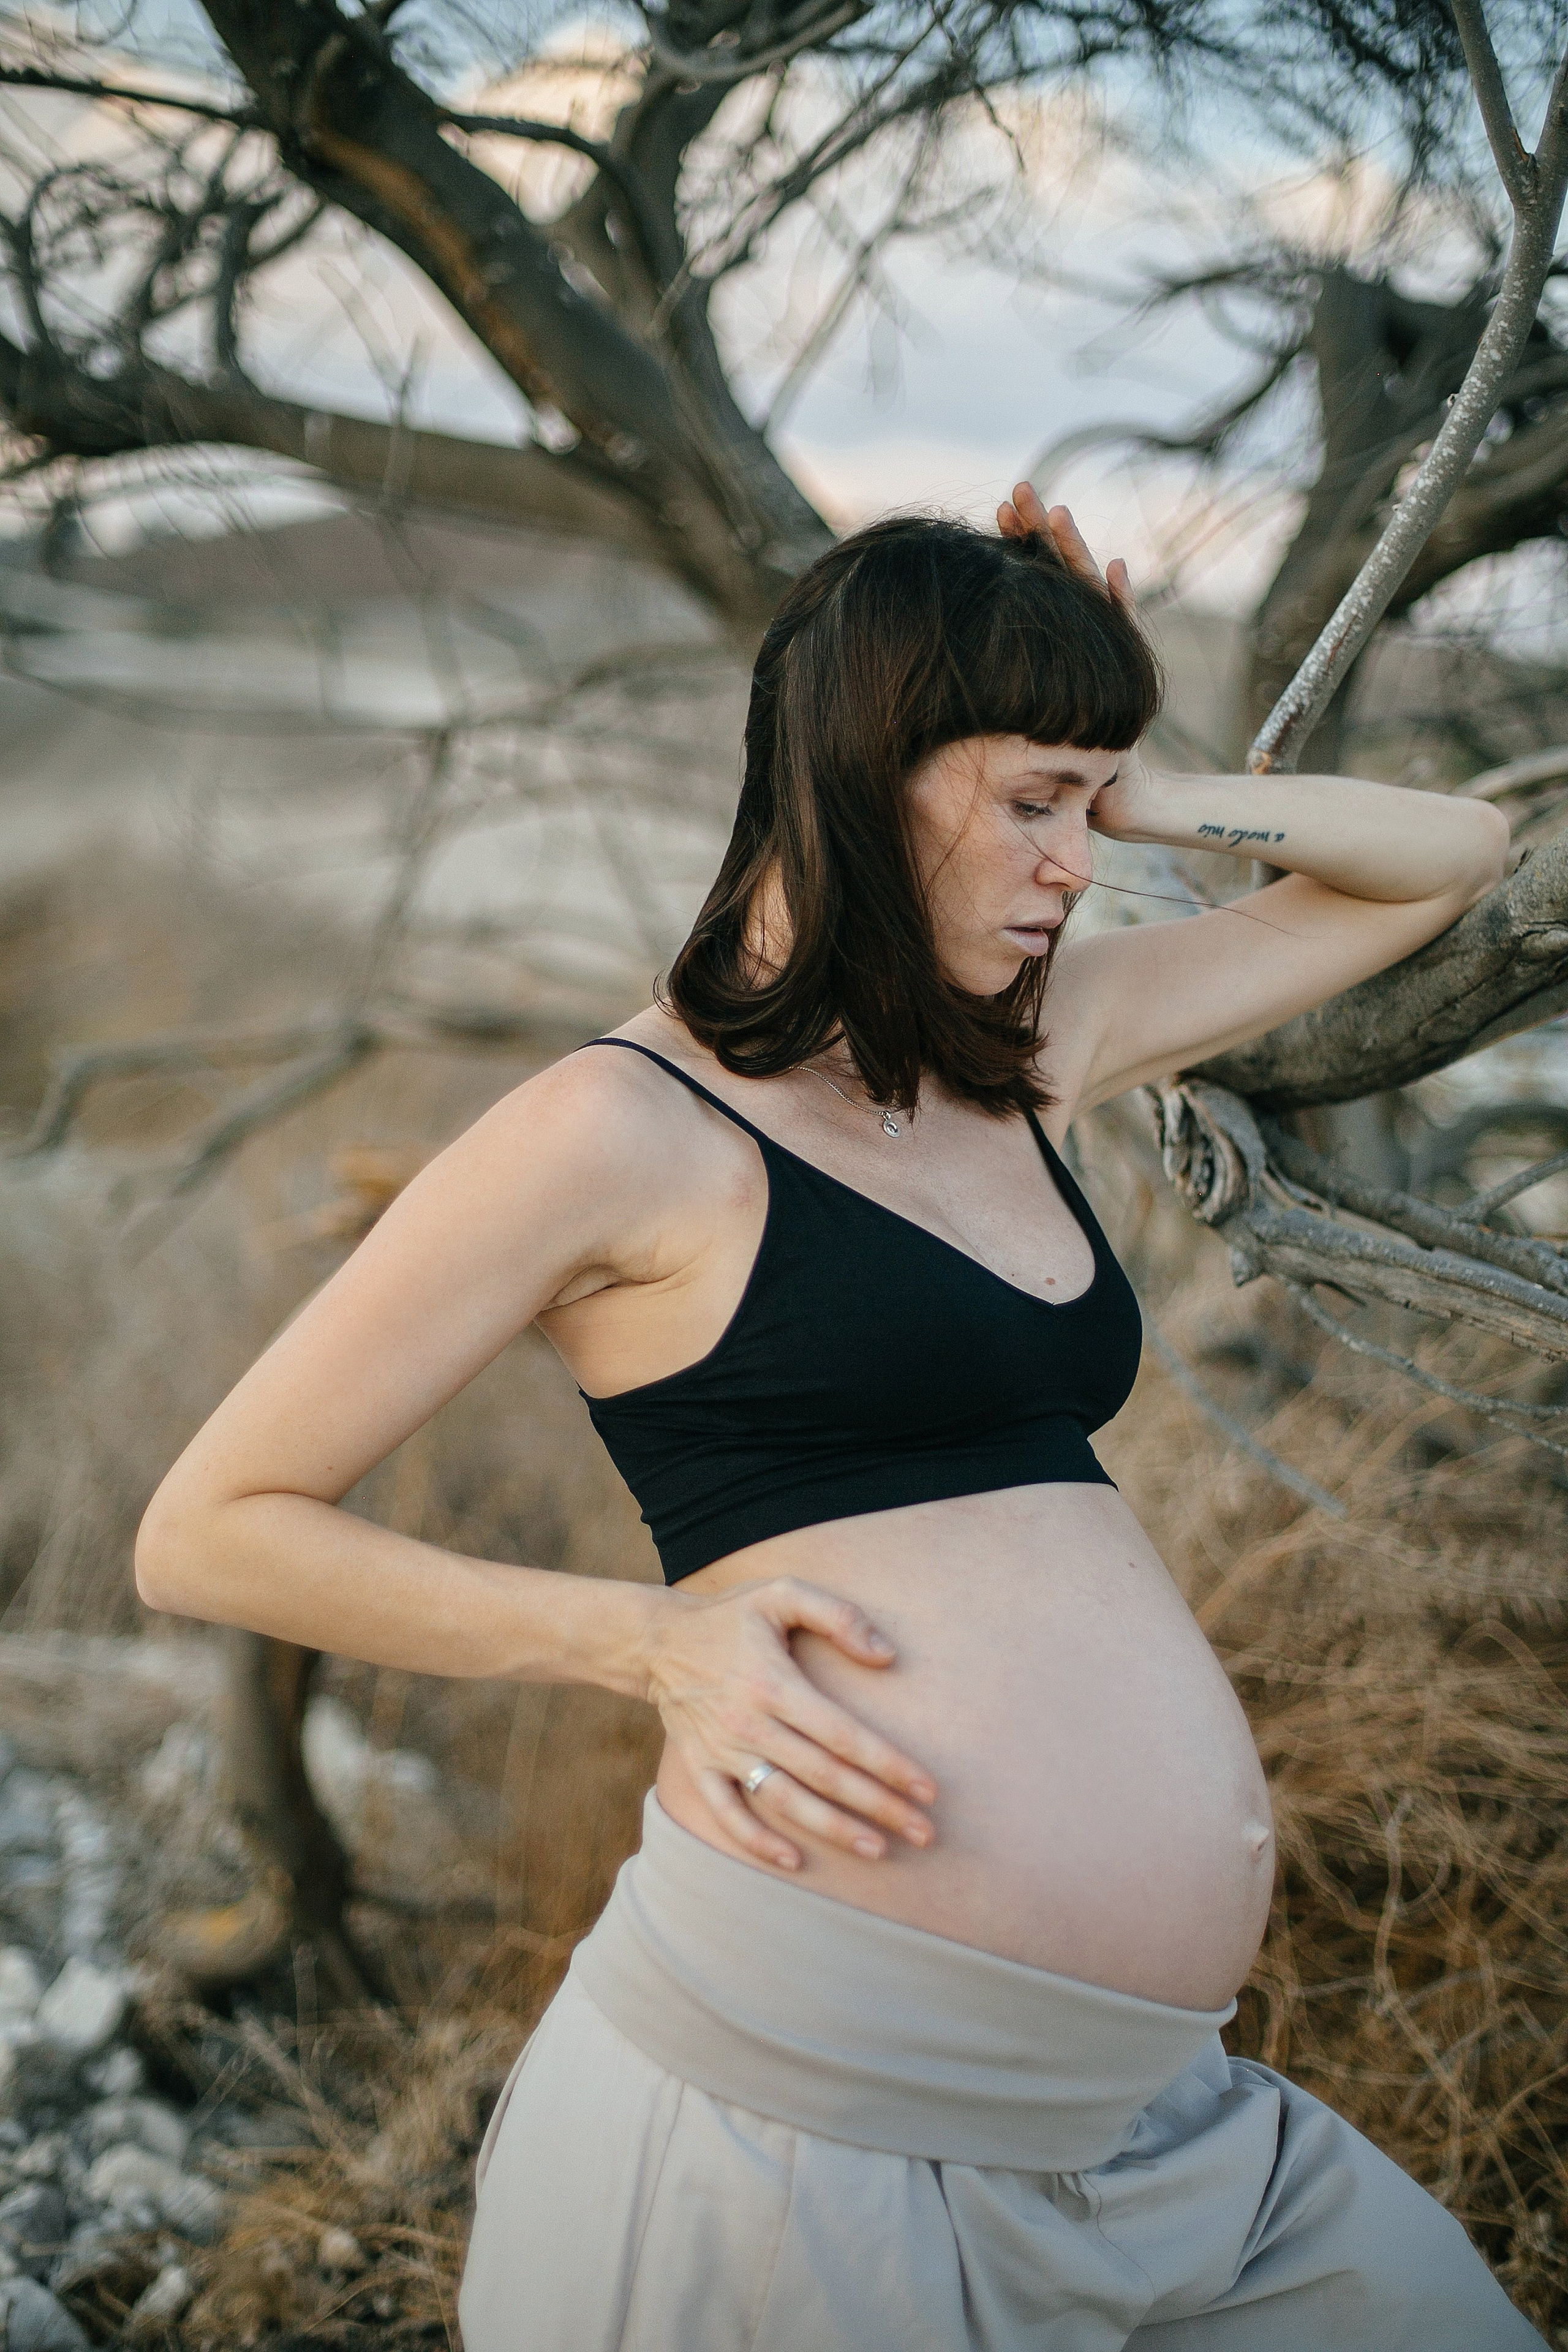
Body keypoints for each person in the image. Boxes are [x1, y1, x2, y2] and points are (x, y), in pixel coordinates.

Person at [136, 485, 1540, 2350]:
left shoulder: (1033, 1056)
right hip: (804, 2125)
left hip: (1153, 2128)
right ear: (870, 767)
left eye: (1082, 809)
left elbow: (1450, 851)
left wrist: (1125, 780)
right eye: (1029, 807)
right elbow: (208, 1526)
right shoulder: (619, 1127)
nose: (1072, 868)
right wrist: (648, 1644)